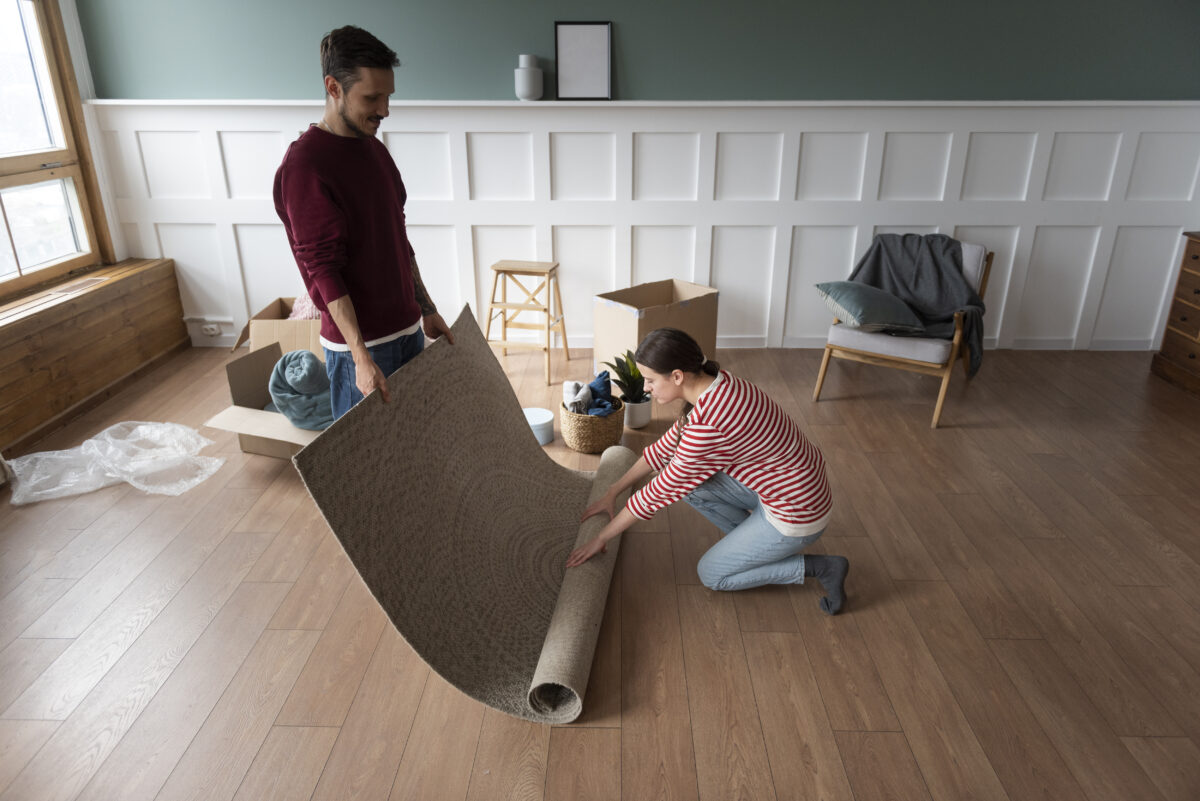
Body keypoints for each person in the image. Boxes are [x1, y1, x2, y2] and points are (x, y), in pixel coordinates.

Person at [566, 328, 850, 614]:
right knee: (692, 487)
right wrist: (613, 491)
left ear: (677, 376)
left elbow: (658, 491)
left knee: (713, 574)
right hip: (788, 486)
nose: (646, 387)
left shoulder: (709, 425)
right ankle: (756, 546)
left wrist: (601, 538)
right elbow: (666, 449)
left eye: (650, 380)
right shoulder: (720, 383)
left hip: (797, 512)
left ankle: (821, 567)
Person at [273, 25, 453, 420]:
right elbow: (323, 270)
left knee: (413, 451)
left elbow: (397, 240)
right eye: (372, 97)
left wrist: (425, 307)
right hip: (363, 351)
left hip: (407, 332)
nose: (384, 110)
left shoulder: (374, 150)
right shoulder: (305, 166)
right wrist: (360, 356)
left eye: (388, 96)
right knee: (371, 471)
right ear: (333, 87)